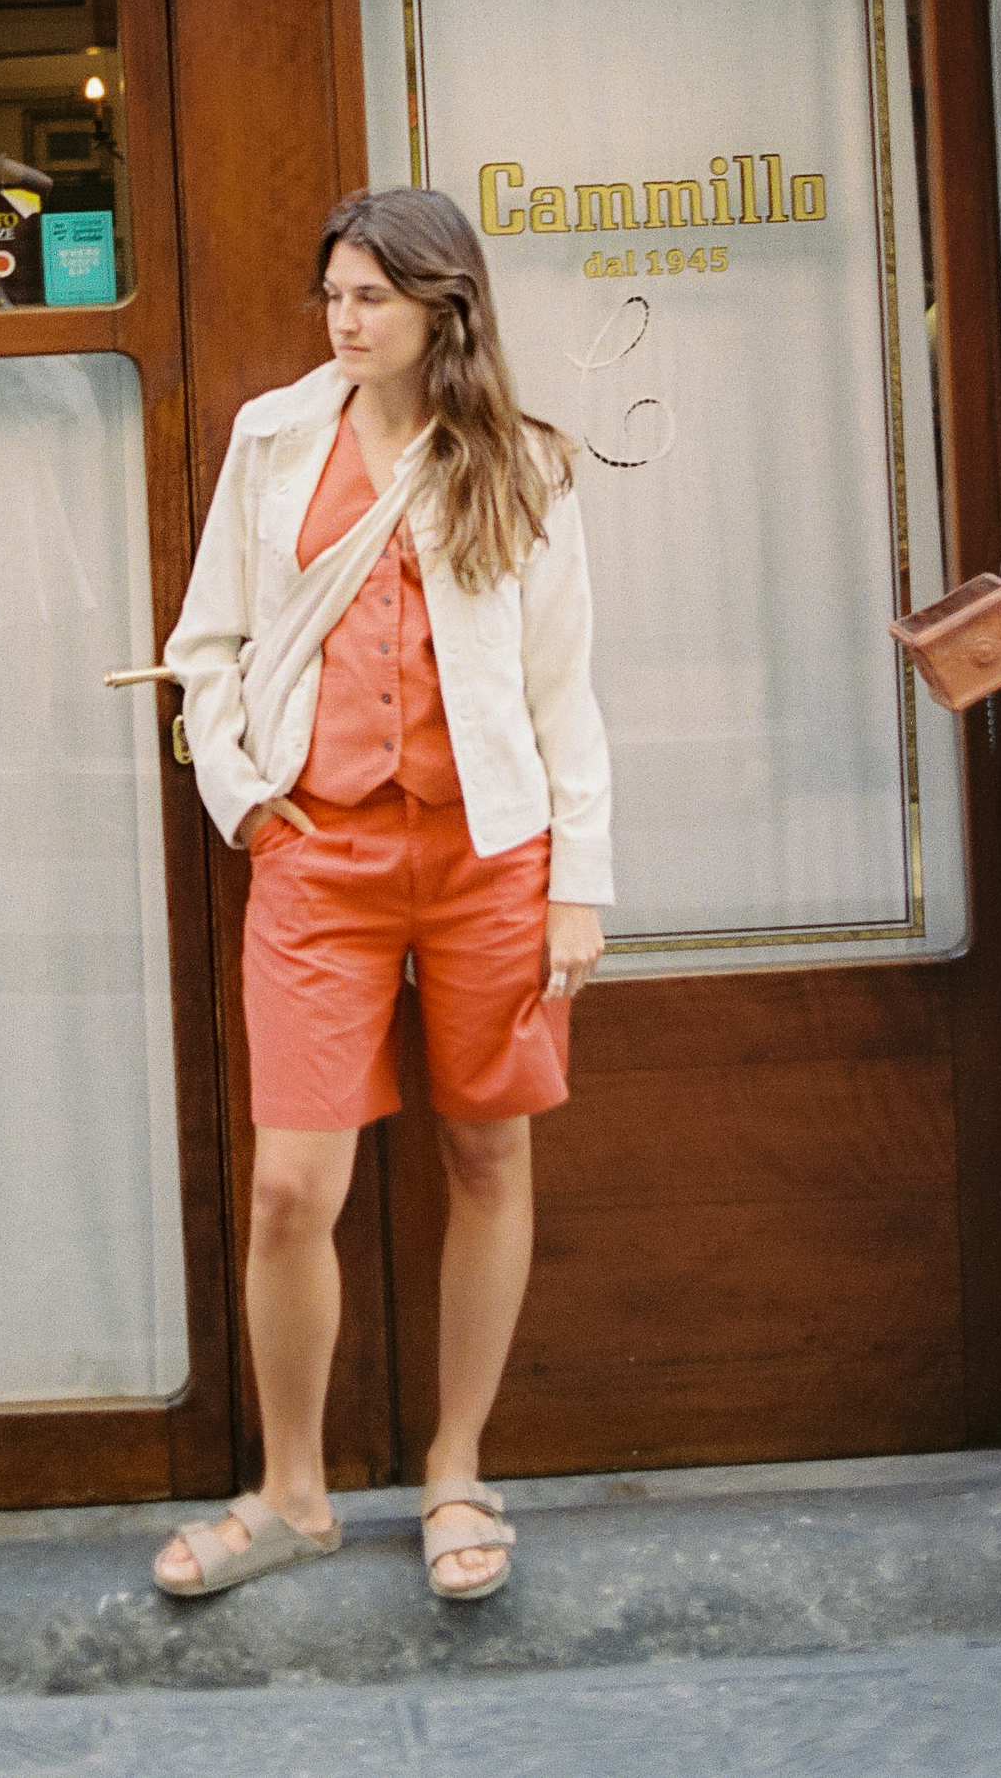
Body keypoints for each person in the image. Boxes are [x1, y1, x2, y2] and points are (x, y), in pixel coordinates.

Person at [153, 187, 613, 1606]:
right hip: (321, 858)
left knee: (485, 1161)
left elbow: (561, 689)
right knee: (291, 1187)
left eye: (371, 299)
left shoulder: (521, 462)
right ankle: (291, 1493)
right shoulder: (275, 438)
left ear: (440, 308)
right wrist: (242, 800)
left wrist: (575, 886)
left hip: (489, 858)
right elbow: (205, 643)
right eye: (333, 297)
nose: (345, 322)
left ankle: (454, 1468)